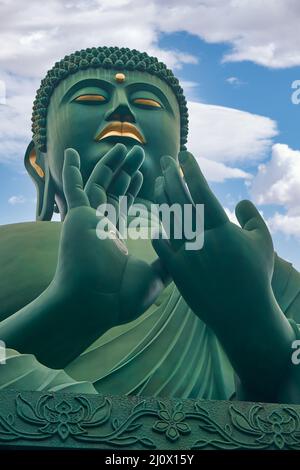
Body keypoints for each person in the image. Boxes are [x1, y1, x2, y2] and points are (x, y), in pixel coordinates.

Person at [0, 46, 300, 403]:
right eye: (91, 97)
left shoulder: (245, 267)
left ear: (179, 153)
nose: (121, 109)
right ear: (39, 162)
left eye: (148, 104)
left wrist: (256, 325)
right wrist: (69, 309)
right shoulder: (9, 247)